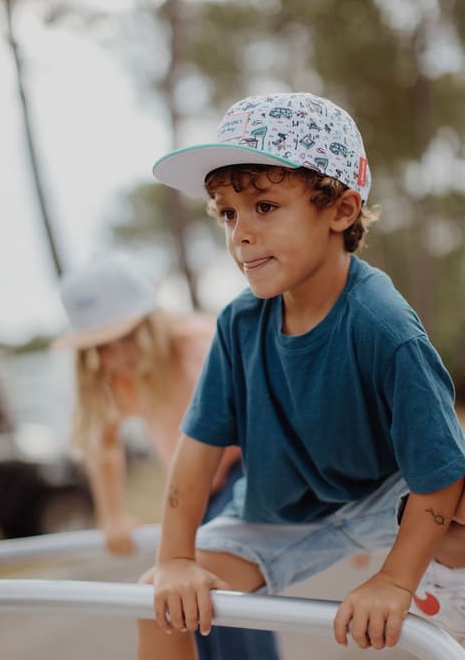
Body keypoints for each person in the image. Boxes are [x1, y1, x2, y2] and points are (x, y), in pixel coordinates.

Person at [135, 91, 465, 659]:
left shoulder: (383, 326)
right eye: (228, 212)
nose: (240, 233)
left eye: (264, 206)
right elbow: (197, 449)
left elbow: (440, 470)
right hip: (279, 512)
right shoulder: (240, 324)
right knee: (157, 603)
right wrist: (175, 560)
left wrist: (394, 580)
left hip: (392, 496)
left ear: (340, 210)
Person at [52, 252, 280, 660]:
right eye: (101, 346)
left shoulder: (200, 344)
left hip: (249, 470)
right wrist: (112, 514)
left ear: (151, 321)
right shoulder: (115, 373)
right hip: (197, 488)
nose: (118, 354)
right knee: (187, 609)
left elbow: (271, 411)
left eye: (126, 337)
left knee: (215, 590)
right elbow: (103, 445)